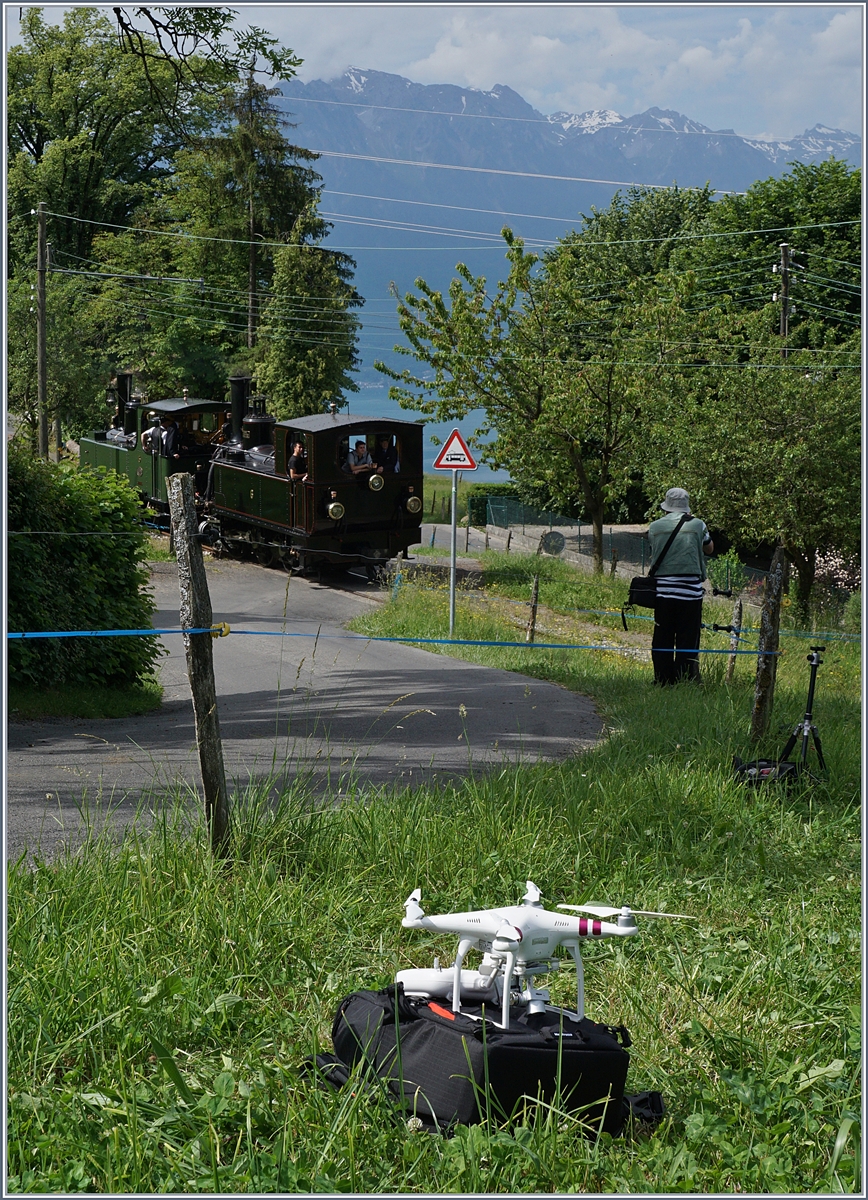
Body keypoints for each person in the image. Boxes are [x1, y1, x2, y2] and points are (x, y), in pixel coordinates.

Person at [647, 487, 714, 686]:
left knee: (663, 637)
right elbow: (709, 548)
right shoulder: (698, 525)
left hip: (664, 591)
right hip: (690, 593)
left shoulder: (655, 527)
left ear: (666, 506)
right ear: (686, 507)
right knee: (688, 638)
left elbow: (655, 550)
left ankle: (662, 680)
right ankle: (685, 678)